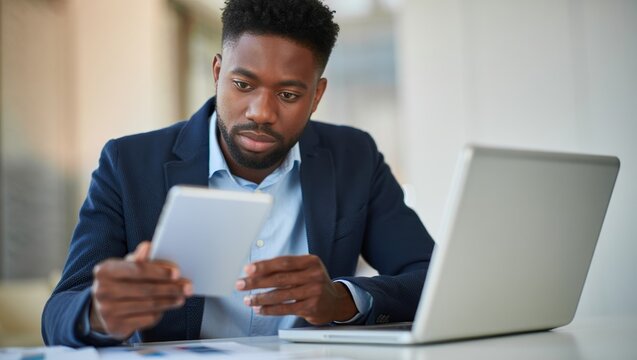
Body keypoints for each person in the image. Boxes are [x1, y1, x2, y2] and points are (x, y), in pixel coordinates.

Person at [42, 0, 435, 347]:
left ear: (316, 95)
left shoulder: (354, 157)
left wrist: (341, 299)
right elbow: (58, 314)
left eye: (288, 95)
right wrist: (99, 312)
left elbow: (431, 279)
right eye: (243, 84)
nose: (261, 112)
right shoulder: (128, 163)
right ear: (217, 71)